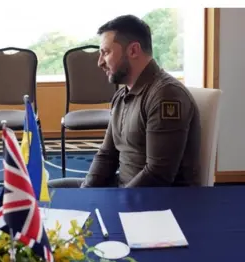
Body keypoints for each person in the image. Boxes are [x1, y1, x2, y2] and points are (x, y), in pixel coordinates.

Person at [81, 15, 201, 188]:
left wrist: (116, 203)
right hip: (123, 189)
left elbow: (158, 175)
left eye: (106, 52)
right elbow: (107, 154)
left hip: (158, 203)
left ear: (133, 51)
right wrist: (86, 192)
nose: (100, 62)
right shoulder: (122, 94)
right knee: (48, 192)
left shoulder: (165, 95)